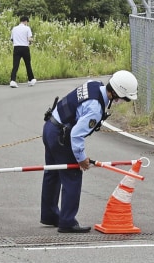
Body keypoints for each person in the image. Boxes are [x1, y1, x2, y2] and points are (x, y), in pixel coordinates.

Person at [40, 70, 139, 233]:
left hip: (50, 126)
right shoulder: (95, 108)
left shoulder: (94, 84)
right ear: (115, 93)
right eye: (124, 98)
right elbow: (76, 135)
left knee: (53, 173)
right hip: (61, 136)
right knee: (72, 176)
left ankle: (49, 215)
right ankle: (67, 221)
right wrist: (81, 159)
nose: (122, 101)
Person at [10, 15, 35, 87]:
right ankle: (31, 79)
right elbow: (29, 39)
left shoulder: (14, 28)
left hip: (16, 47)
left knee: (15, 65)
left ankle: (12, 80)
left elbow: (12, 39)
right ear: (26, 21)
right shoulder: (27, 28)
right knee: (28, 64)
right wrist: (32, 40)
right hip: (25, 48)